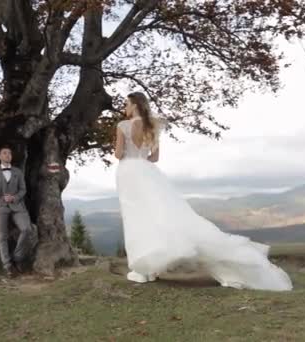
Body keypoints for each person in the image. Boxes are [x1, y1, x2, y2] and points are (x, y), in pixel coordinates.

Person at [114, 92, 292, 291]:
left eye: (127, 104)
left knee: (138, 217)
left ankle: (144, 269)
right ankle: (154, 268)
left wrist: (127, 147)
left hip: (129, 172)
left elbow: (118, 154)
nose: (125, 108)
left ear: (135, 105)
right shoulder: (154, 126)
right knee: (162, 215)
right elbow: (154, 158)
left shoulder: (123, 126)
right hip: (148, 172)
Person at [0, 146, 36, 278]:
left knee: (27, 229)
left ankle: (17, 257)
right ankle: (7, 266)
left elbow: (23, 190)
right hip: (0, 207)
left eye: (9, 153)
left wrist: (14, 197)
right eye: (5, 153)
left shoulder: (18, 172)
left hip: (18, 206)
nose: (8, 155)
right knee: (3, 236)